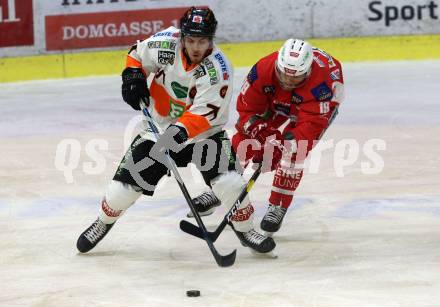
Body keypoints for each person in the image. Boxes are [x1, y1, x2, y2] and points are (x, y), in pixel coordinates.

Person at [76, 7, 275, 255]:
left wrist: (175, 136)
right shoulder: (166, 43)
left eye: (202, 41)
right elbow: (137, 53)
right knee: (121, 191)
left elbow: (203, 114)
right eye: (190, 40)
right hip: (157, 129)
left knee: (230, 182)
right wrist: (133, 77)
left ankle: (245, 230)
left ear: (211, 39)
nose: (195, 47)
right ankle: (102, 223)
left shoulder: (219, 69)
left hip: (204, 135)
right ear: (182, 36)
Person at [192, 38, 345, 235]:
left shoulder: (322, 85)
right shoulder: (263, 69)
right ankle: (218, 189)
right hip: (275, 97)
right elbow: (247, 109)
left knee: (294, 152)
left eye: (295, 77)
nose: (288, 81)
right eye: (284, 74)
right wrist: (261, 132)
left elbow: (311, 125)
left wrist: (280, 146)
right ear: (278, 65)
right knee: (245, 140)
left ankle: (278, 205)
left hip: (312, 106)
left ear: (307, 73)